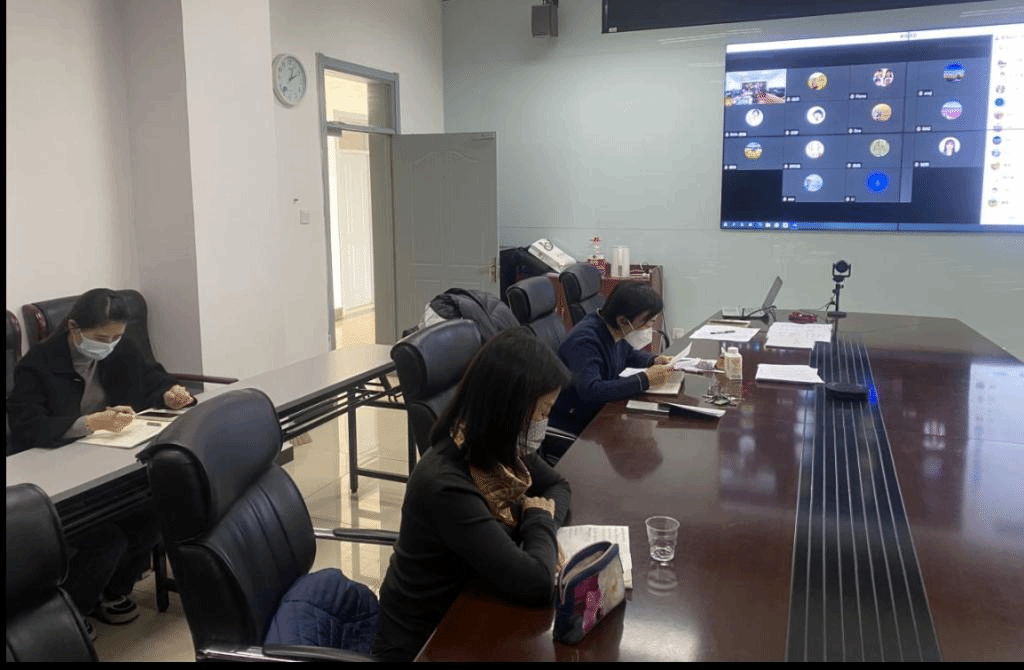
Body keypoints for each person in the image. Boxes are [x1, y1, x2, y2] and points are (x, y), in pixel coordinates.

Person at [372, 328, 572, 662]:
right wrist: (538, 520)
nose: (544, 422)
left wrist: (540, 520)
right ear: (511, 409)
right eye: (542, 412)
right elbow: (536, 584)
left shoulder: (499, 445)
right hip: (426, 641)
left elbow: (558, 487)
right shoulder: (446, 485)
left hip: (476, 604)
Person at [6, 288, 193, 637]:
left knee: (151, 515)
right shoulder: (39, 364)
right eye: (101, 338)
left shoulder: (121, 348)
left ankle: (112, 591)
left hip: (109, 463)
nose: (109, 345)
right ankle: (73, 612)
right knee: (107, 538)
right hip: (58, 473)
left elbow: (152, 379)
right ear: (73, 327)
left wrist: (169, 393)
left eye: (116, 337)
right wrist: (89, 423)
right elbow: (26, 426)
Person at [545, 281, 674, 455]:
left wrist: (653, 360)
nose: (649, 328)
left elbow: (628, 355)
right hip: (575, 422)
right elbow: (592, 390)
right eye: (646, 322)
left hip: (601, 411)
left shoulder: (612, 328)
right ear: (623, 320)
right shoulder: (585, 342)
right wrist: (645, 379)